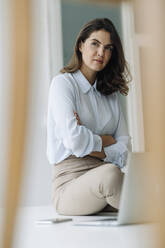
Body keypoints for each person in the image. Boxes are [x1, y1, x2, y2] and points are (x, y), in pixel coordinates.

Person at [47, 18, 132, 216]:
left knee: (148, 181)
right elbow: (73, 140)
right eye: (95, 44)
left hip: (104, 180)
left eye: (108, 48)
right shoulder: (63, 84)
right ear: (81, 45)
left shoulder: (110, 95)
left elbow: (125, 149)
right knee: (111, 174)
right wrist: (106, 141)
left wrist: (88, 142)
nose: (101, 53)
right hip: (69, 185)